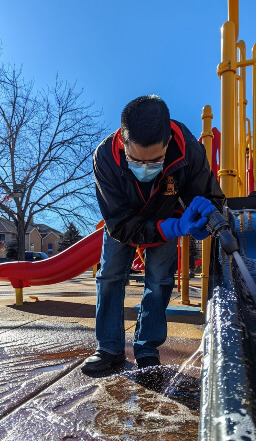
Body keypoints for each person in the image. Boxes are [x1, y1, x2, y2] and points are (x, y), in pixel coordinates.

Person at [81, 95, 225, 374]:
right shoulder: (104, 158)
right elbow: (120, 225)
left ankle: (147, 348)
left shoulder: (189, 150)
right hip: (122, 219)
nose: (145, 168)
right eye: (136, 160)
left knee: (159, 280)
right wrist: (172, 229)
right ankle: (109, 348)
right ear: (122, 142)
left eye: (156, 160)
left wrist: (204, 214)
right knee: (109, 274)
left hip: (166, 212)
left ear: (168, 143)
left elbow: (210, 197)